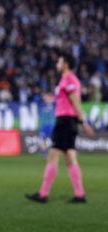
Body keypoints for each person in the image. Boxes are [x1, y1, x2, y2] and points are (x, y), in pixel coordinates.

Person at [26, 54, 94, 203]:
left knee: (52, 156)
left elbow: (75, 101)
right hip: (68, 121)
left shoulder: (69, 79)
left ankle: (43, 194)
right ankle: (80, 195)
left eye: (59, 62)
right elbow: (66, 100)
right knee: (70, 158)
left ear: (66, 64)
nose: (57, 64)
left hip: (65, 122)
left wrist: (82, 121)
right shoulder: (66, 79)